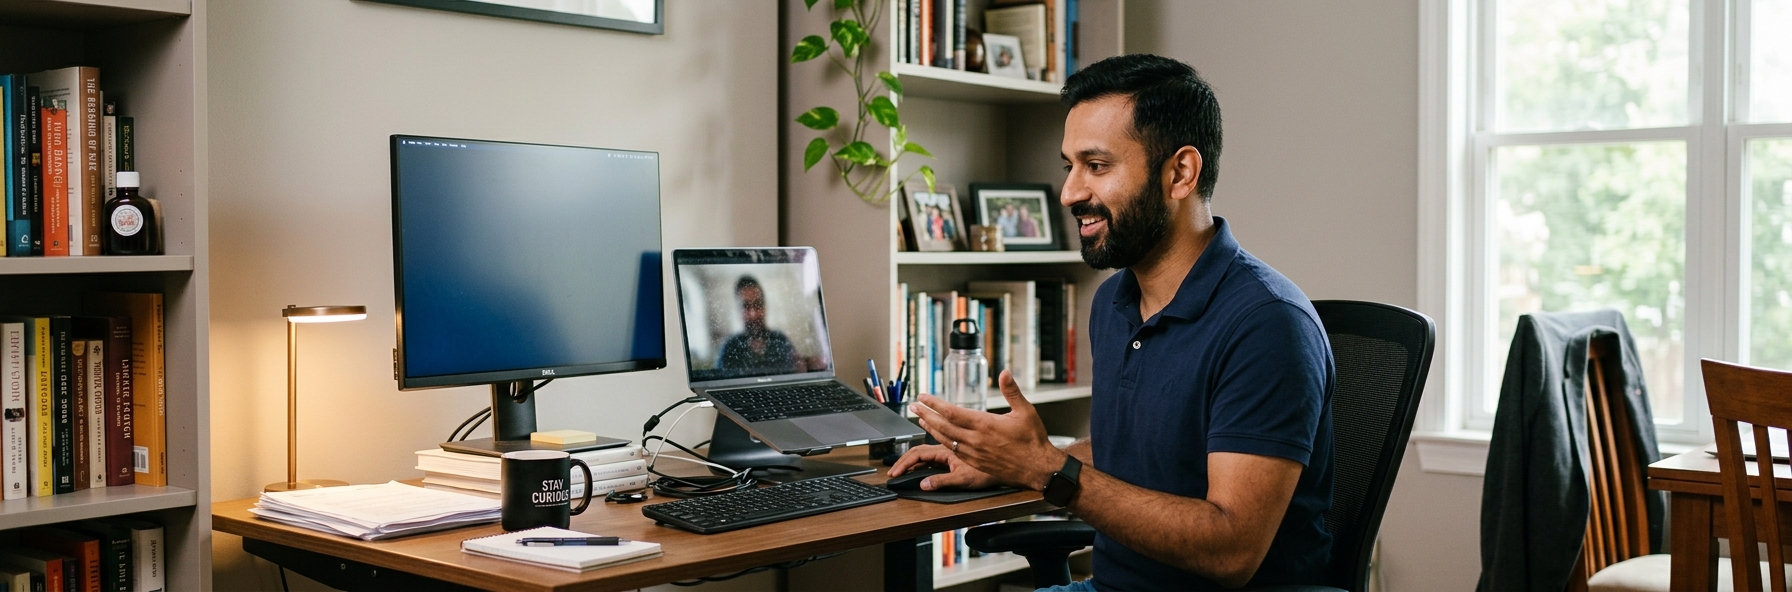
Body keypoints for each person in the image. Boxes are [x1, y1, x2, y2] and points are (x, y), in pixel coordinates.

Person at [891, 54, 1335, 591]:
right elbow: (1146, 448)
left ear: (1180, 173)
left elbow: (1231, 549)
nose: (1070, 193)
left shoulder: (1266, 324)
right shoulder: (1115, 302)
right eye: (1069, 166)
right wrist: (1005, 461)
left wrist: (1046, 472)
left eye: (1096, 166)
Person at [712, 275, 801, 373]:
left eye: (758, 304)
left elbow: (796, 373)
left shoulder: (780, 340)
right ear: (738, 311)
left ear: (764, 306)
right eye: (746, 306)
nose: (753, 314)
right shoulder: (729, 349)